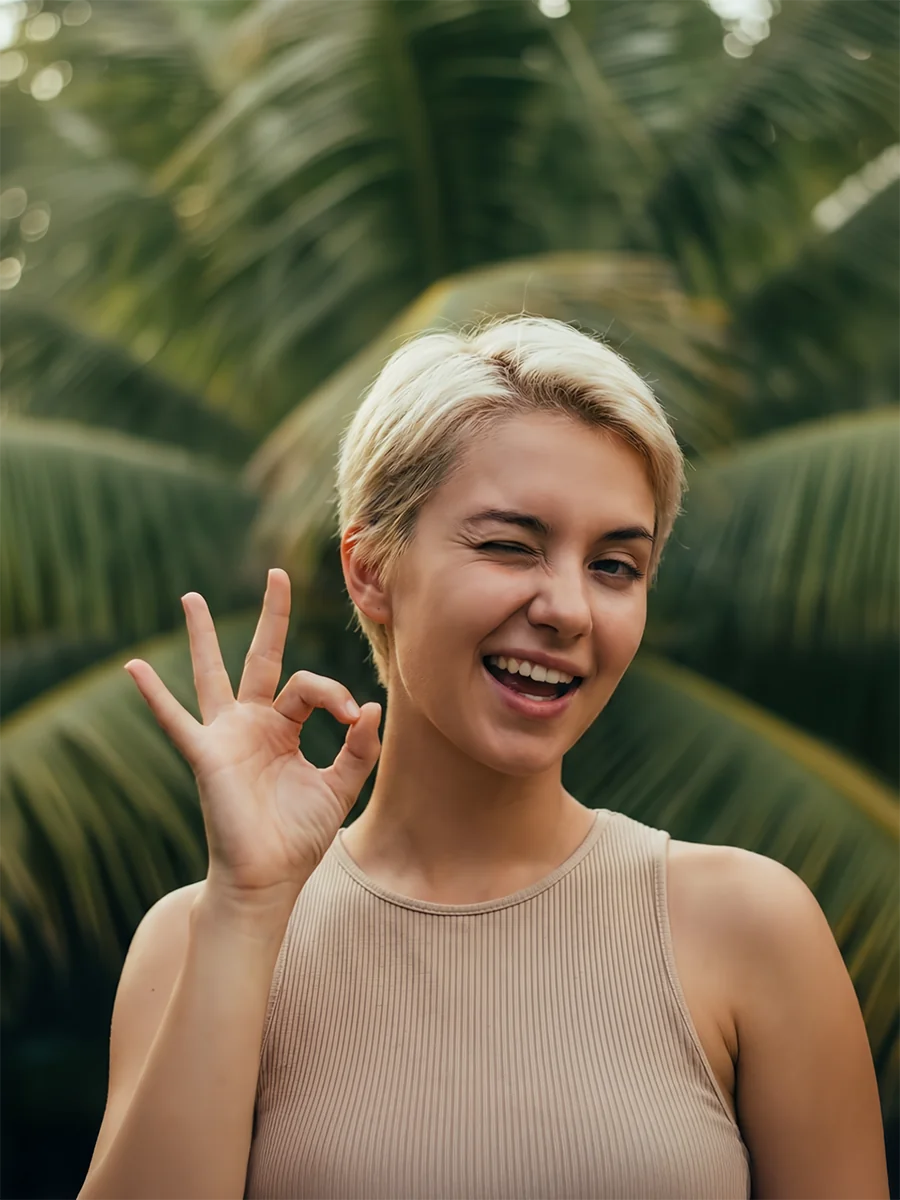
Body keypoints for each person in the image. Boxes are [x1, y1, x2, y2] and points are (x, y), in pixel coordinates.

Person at [77, 317, 888, 1200]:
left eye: (617, 565)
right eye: (510, 545)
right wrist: (249, 908)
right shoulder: (197, 941)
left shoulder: (753, 928)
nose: (570, 609)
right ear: (371, 570)